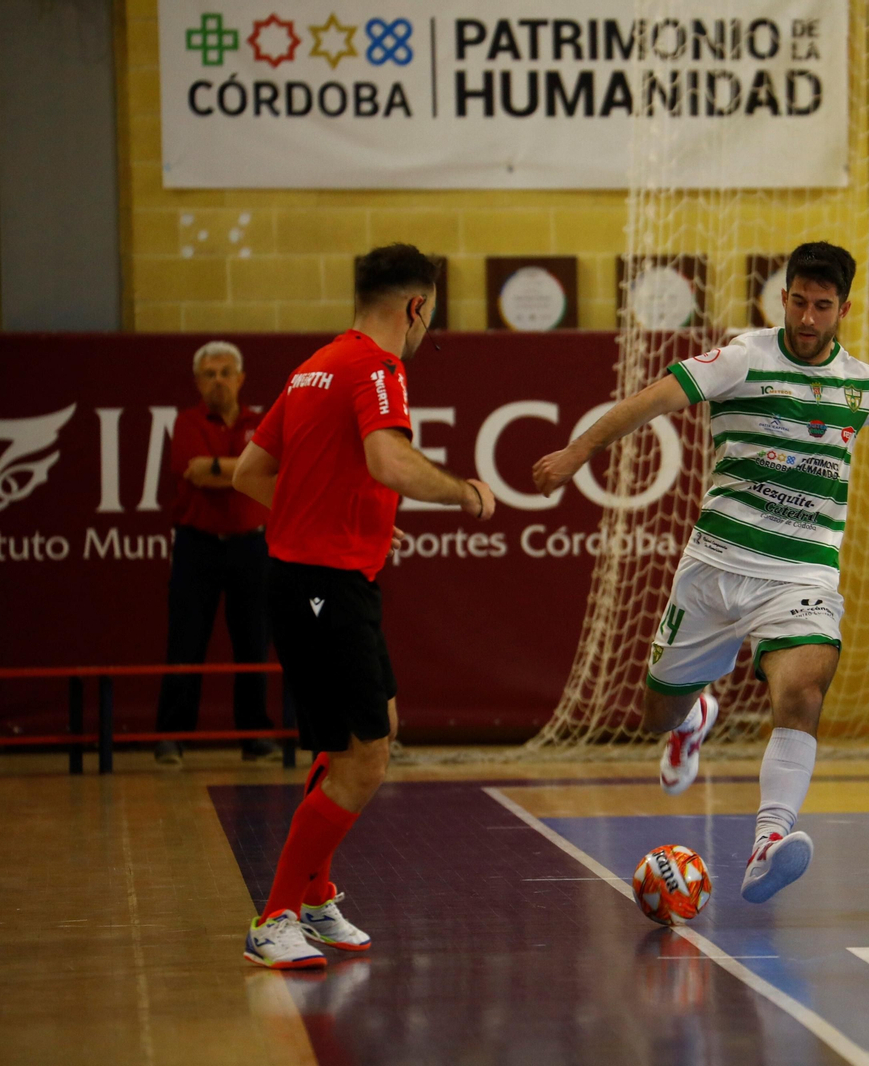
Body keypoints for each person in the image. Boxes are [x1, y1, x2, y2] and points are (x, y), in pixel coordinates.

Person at [534, 241, 869, 904]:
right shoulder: (743, 357)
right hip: (714, 568)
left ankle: (770, 839)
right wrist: (576, 452)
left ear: (843, 309)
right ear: (784, 295)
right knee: (657, 713)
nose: (807, 316)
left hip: (801, 574)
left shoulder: (863, 383)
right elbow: (650, 402)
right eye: (798, 300)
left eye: (822, 306)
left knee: (803, 690)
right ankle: (692, 718)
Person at [232, 244, 495, 969]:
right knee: (367, 755)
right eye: (428, 316)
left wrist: (334, 510)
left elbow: (251, 474)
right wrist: (463, 490)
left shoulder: (316, 363)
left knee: (362, 738)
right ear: (416, 306)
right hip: (323, 584)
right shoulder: (378, 368)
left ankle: (314, 900)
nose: (424, 329)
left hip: (318, 576)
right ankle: (276, 914)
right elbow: (389, 460)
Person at [155, 341, 277, 764]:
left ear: (241, 379)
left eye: (226, 372)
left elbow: (270, 470)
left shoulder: (260, 423)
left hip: (252, 544)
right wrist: (238, 470)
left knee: (254, 642)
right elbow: (194, 471)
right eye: (210, 374)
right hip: (198, 544)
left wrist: (218, 467)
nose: (219, 380)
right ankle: (171, 736)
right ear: (198, 383)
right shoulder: (187, 423)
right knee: (186, 639)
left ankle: (255, 735)